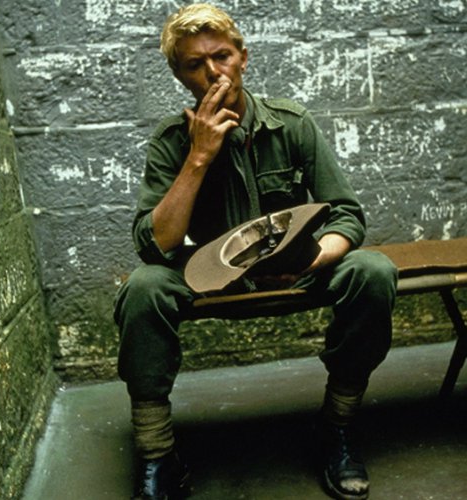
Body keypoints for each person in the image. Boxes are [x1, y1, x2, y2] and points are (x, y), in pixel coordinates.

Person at [114, 4, 397, 499]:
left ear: (243, 57)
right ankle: (158, 454)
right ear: (179, 76)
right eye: (194, 64)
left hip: (297, 267)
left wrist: (309, 259)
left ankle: (337, 427)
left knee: (372, 271)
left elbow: (347, 215)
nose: (212, 72)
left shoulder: (292, 123)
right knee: (143, 289)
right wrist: (199, 156)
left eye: (221, 56)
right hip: (211, 275)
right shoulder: (172, 142)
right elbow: (154, 245)